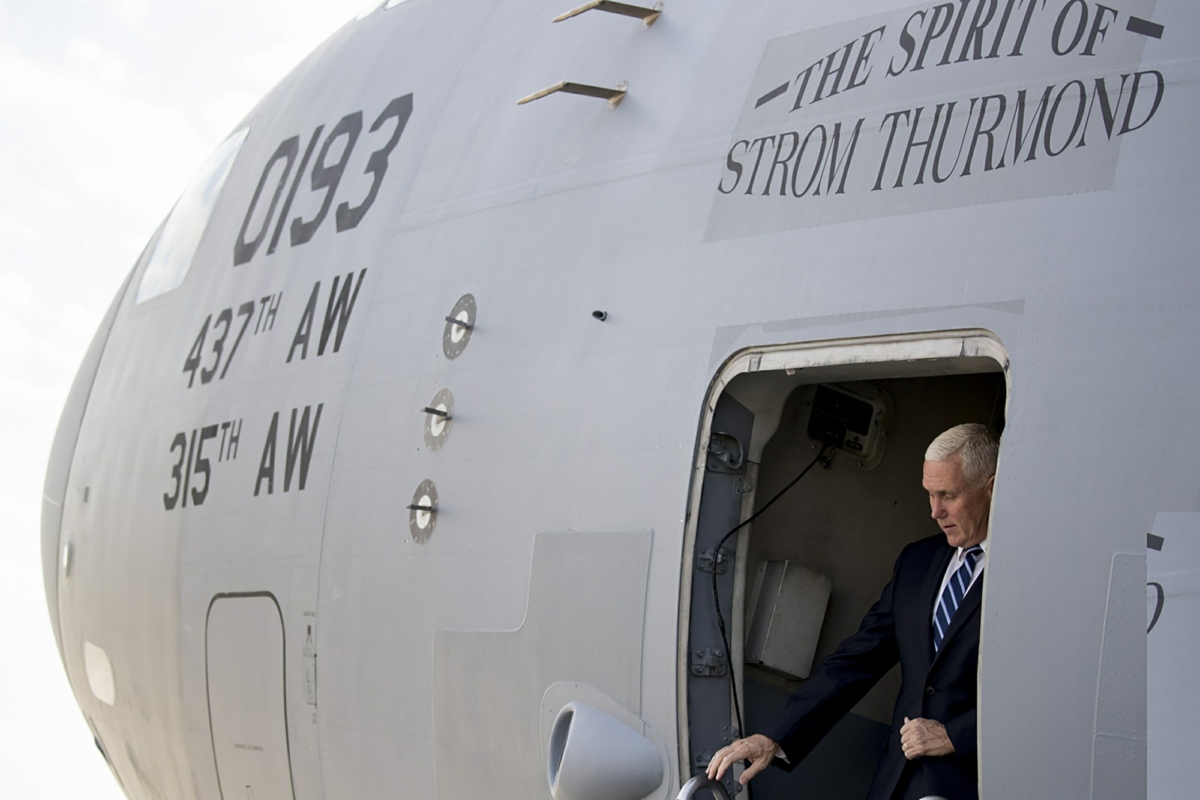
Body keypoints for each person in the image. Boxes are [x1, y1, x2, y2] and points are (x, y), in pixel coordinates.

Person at [707, 423, 999, 800]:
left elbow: (1047, 690)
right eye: (930, 494)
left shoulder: (1032, 578)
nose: (935, 511)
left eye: (948, 495)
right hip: (895, 783)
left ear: (992, 487)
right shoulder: (918, 562)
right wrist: (774, 736)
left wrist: (956, 735)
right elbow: (857, 659)